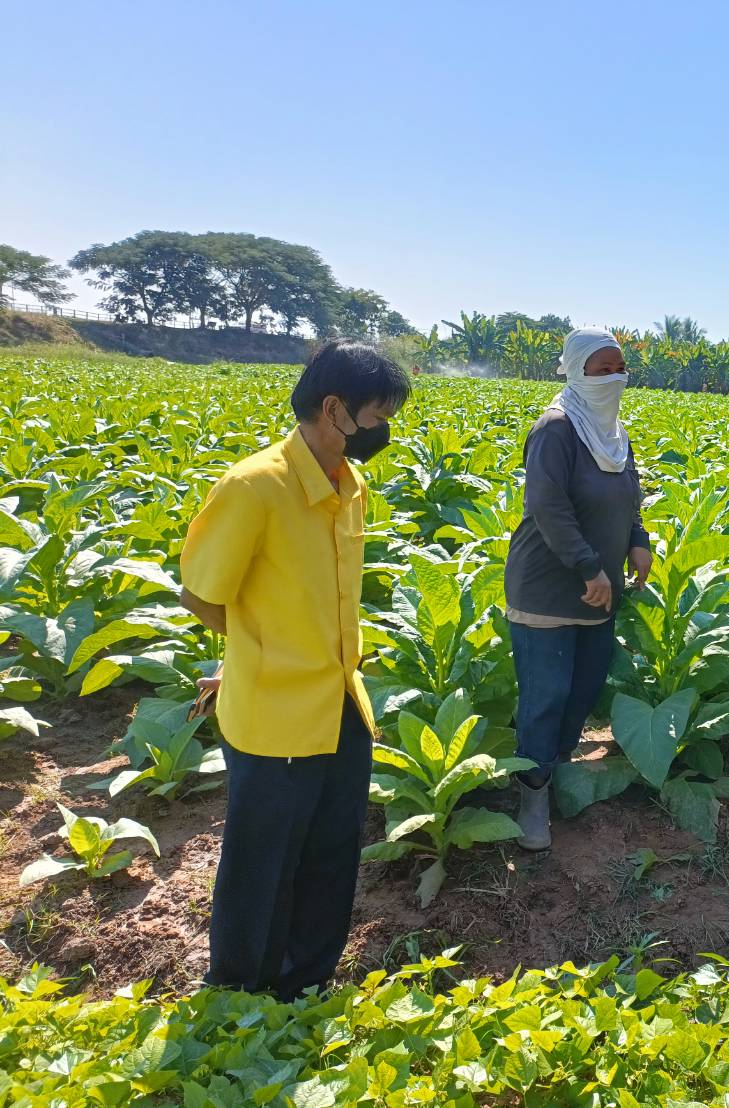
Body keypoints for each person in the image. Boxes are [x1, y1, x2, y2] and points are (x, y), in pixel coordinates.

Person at [179, 340, 411, 1000]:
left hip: (340, 700)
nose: (381, 430)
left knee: (333, 850)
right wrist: (254, 650)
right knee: (262, 862)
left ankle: (305, 982)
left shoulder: (350, 485)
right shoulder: (255, 487)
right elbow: (200, 592)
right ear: (332, 408)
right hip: (274, 710)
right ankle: (240, 995)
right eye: (375, 414)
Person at [503, 328, 653, 851]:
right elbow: (548, 506)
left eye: (620, 368)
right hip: (549, 585)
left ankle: (557, 765)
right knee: (546, 693)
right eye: (601, 368)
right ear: (575, 371)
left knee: (584, 686)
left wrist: (638, 540)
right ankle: (532, 794)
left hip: (599, 587)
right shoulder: (556, 428)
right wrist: (590, 567)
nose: (613, 377)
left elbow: (630, 496)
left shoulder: (614, 432)